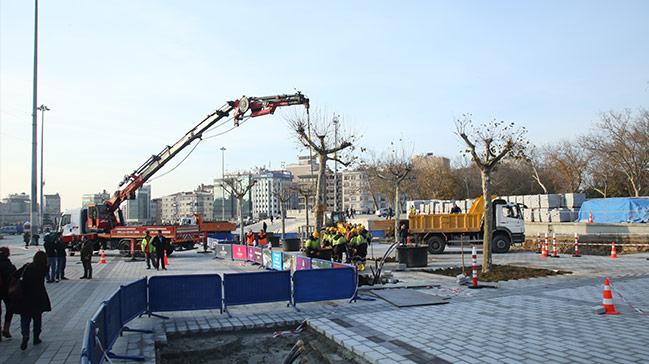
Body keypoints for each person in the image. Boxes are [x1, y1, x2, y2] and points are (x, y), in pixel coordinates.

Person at [14, 251, 51, 350]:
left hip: (25, 295)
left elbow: (15, 275)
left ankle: (25, 334)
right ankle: (36, 337)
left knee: (25, 317)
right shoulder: (43, 268)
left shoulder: (27, 267)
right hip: (38, 296)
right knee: (37, 318)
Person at [0, 247, 17, 341]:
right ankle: (6, 329)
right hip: (7, 290)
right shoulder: (8, 264)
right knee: (9, 309)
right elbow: (14, 276)